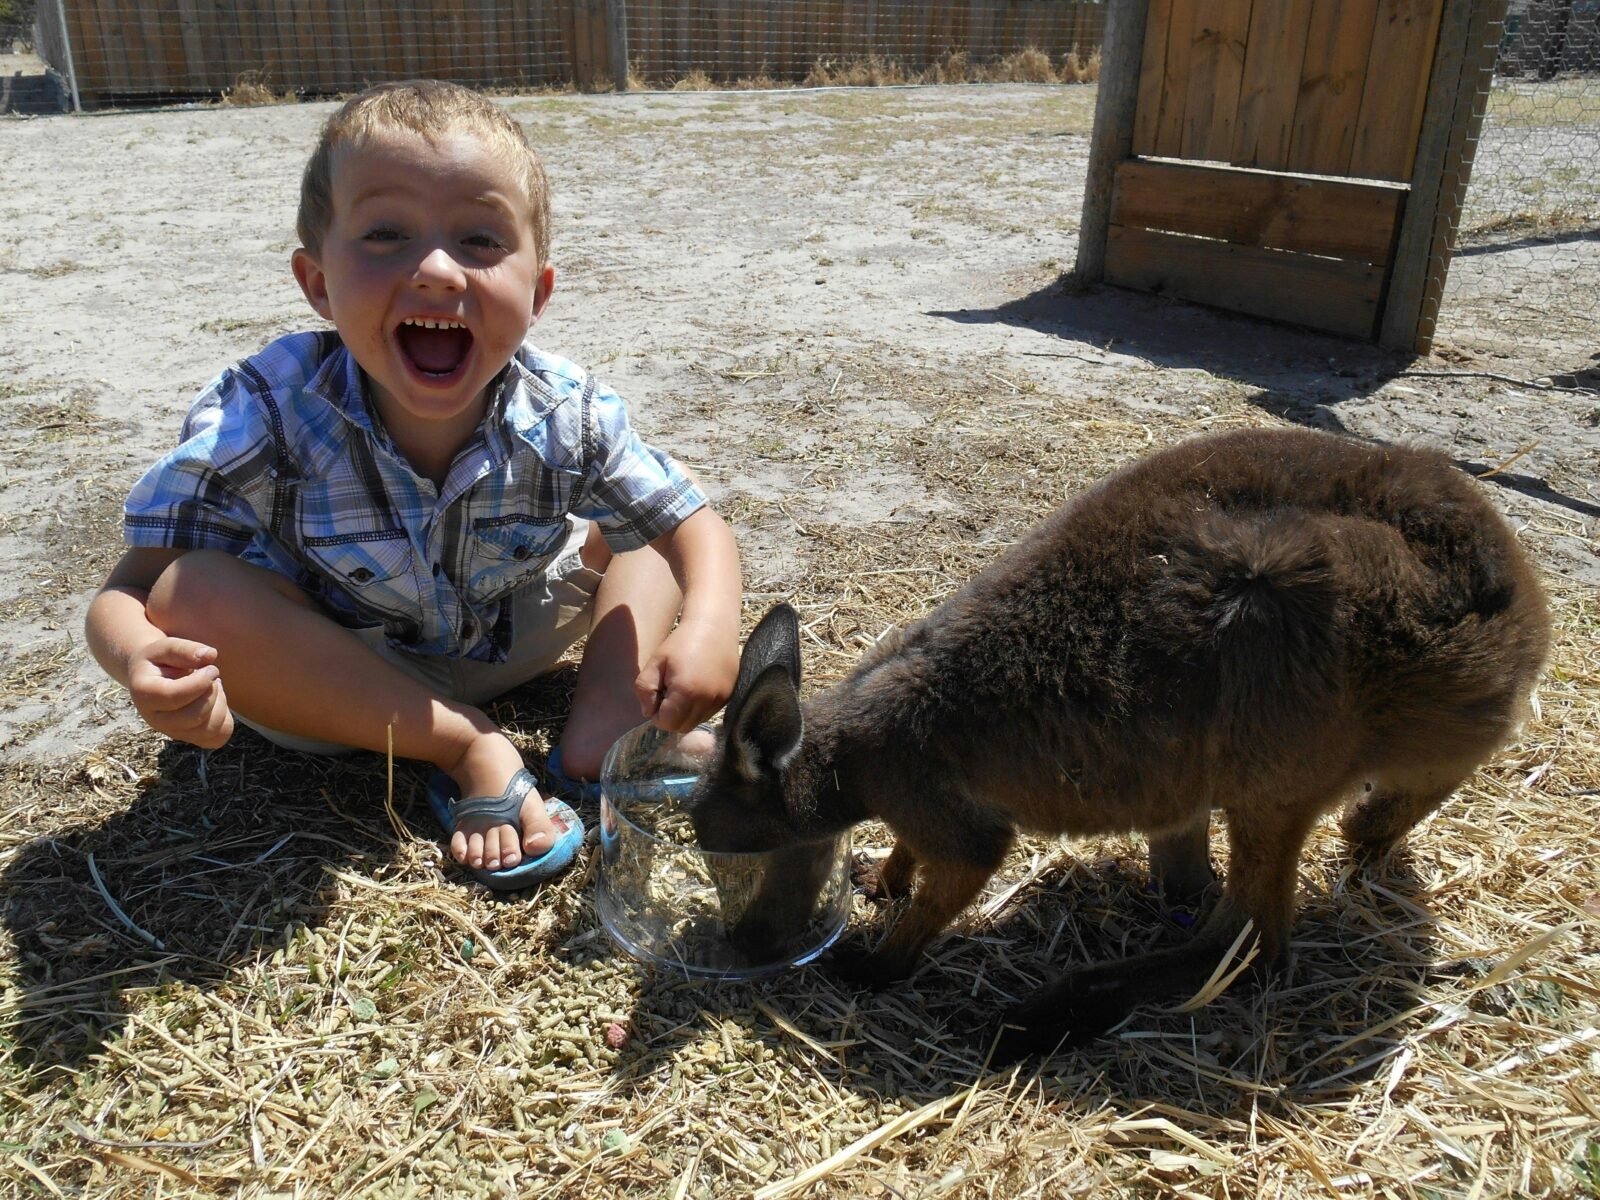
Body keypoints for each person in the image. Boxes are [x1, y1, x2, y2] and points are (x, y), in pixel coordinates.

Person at [84, 80, 743, 890]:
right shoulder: (265, 412)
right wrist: (140, 656)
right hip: (340, 683)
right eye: (386, 234)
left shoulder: (566, 412)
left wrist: (711, 624)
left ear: (537, 294)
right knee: (189, 592)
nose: (435, 270)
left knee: (657, 515)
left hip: (508, 641)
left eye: (479, 239)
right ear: (317, 282)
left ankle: (607, 724)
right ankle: (466, 746)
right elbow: (127, 593)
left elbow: (693, 526)